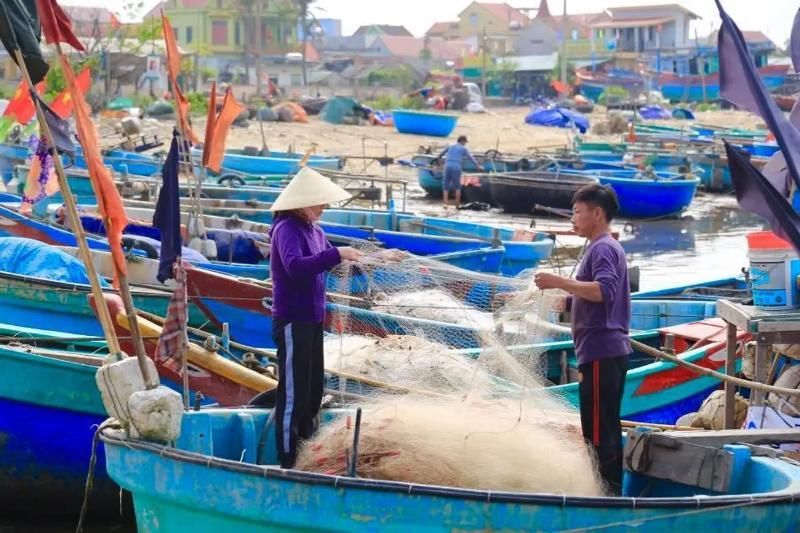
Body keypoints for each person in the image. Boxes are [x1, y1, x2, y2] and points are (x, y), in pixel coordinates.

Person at [533, 183, 631, 495]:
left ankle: (608, 495)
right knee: (600, 427)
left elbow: (604, 291)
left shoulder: (603, 247)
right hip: (599, 352)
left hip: (603, 351)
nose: (573, 219)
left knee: (600, 432)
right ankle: (609, 491)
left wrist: (559, 280)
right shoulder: (600, 246)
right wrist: (566, 300)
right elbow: (590, 293)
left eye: (577, 212)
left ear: (597, 213)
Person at [268, 167, 362, 469]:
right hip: (293, 320)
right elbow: (296, 266)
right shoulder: (287, 229)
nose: (324, 207)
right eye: (319, 201)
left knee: (312, 391)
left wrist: (369, 259)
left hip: (313, 319)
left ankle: (306, 452)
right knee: (293, 393)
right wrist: (337, 254)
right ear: (303, 201)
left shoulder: (315, 231)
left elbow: (327, 260)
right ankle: (286, 458)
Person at [438, 135, 481, 208]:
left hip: (447, 166)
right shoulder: (463, 148)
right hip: (456, 167)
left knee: (445, 186)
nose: (465, 144)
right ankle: (457, 205)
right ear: (462, 141)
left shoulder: (450, 146)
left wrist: (441, 165)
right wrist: (478, 166)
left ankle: (445, 204)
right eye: (465, 142)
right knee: (457, 186)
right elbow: (470, 158)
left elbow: (439, 155)